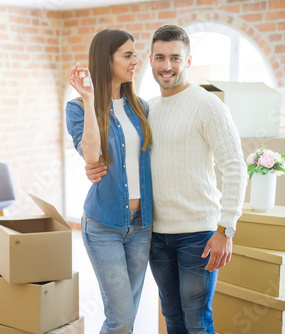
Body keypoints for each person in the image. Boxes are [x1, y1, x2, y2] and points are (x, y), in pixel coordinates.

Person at [86, 25, 248, 333]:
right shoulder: (146, 109)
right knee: (172, 319)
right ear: (151, 60)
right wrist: (92, 167)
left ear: (188, 61)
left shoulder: (208, 105)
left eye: (175, 58)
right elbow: (127, 157)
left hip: (197, 236)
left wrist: (226, 228)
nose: (167, 66)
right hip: (156, 235)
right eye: (160, 57)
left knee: (197, 322)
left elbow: (234, 166)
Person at [65, 29, 154, 334]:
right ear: (107, 59)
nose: (135, 61)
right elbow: (91, 155)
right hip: (104, 224)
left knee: (127, 316)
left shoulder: (141, 107)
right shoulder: (77, 108)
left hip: (142, 225)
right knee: (121, 319)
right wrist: (90, 99)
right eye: (127, 55)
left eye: (134, 54)